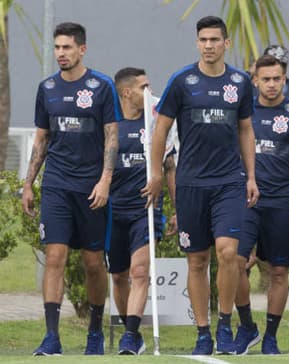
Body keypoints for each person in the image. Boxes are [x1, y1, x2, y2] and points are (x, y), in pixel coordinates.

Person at [142, 15, 259, 355]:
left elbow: (246, 130)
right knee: (197, 261)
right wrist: (158, 173)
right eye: (203, 40)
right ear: (197, 43)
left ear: (226, 43)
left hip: (229, 182)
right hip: (191, 183)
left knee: (228, 252)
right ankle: (203, 331)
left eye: (214, 40)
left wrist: (251, 176)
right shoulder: (182, 81)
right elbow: (160, 130)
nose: (208, 45)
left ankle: (225, 324)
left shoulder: (239, 82)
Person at [22, 22, 120, 356]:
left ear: (82, 49)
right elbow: (41, 139)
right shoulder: (46, 88)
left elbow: (112, 136)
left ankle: (95, 332)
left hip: (91, 188)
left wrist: (106, 180)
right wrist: (29, 183)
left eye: (67, 47)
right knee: (55, 256)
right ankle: (52, 337)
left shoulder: (102, 86)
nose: (61, 53)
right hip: (57, 186)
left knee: (93, 262)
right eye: (57, 47)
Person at [233, 54, 289, 355]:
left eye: (276, 79)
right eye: (264, 79)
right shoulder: (243, 112)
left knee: (279, 272)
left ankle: (270, 336)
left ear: (284, 79)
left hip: (283, 203)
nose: (270, 84)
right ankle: (246, 326)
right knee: (235, 262)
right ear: (254, 80)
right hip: (245, 201)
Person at [109, 67, 178, 355]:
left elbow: (170, 167)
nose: (149, 91)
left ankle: (130, 335)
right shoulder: (109, 122)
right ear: (126, 92)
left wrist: (178, 209)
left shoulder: (155, 122)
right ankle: (130, 330)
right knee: (118, 276)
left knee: (140, 272)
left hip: (145, 210)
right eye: (143, 87)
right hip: (113, 210)